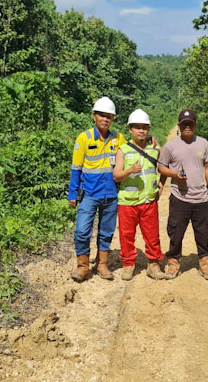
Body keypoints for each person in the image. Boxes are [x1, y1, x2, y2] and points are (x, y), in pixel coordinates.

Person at [68, 96, 126, 282]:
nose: (105, 119)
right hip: (89, 194)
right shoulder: (84, 138)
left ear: (113, 119)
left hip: (111, 194)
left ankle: (102, 264)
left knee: (106, 231)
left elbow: (132, 152)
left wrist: (149, 141)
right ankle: (83, 266)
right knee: (82, 230)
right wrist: (72, 194)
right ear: (94, 116)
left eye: (109, 116)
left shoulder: (119, 138)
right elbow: (76, 169)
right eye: (101, 115)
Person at [158, 109, 208, 280]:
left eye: (191, 123)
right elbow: (161, 167)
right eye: (184, 124)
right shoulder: (171, 146)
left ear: (195, 125)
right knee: (176, 232)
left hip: (200, 197)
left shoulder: (203, 144)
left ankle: (205, 263)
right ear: (179, 126)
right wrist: (174, 175)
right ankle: (173, 263)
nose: (188, 126)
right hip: (179, 197)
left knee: (203, 231)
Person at [113, 109, 168, 281]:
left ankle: (153, 264)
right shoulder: (123, 150)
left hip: (149, 201)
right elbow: (116, 175)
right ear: (130, 129)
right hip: (128, 203)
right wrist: (130, 170)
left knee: (152, 235)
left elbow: (163, 167)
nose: (141, 131)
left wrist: (161, 184)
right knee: (126, 235)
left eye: (145, 127)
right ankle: (128, 265)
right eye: (137, 127)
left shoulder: (154, 149)